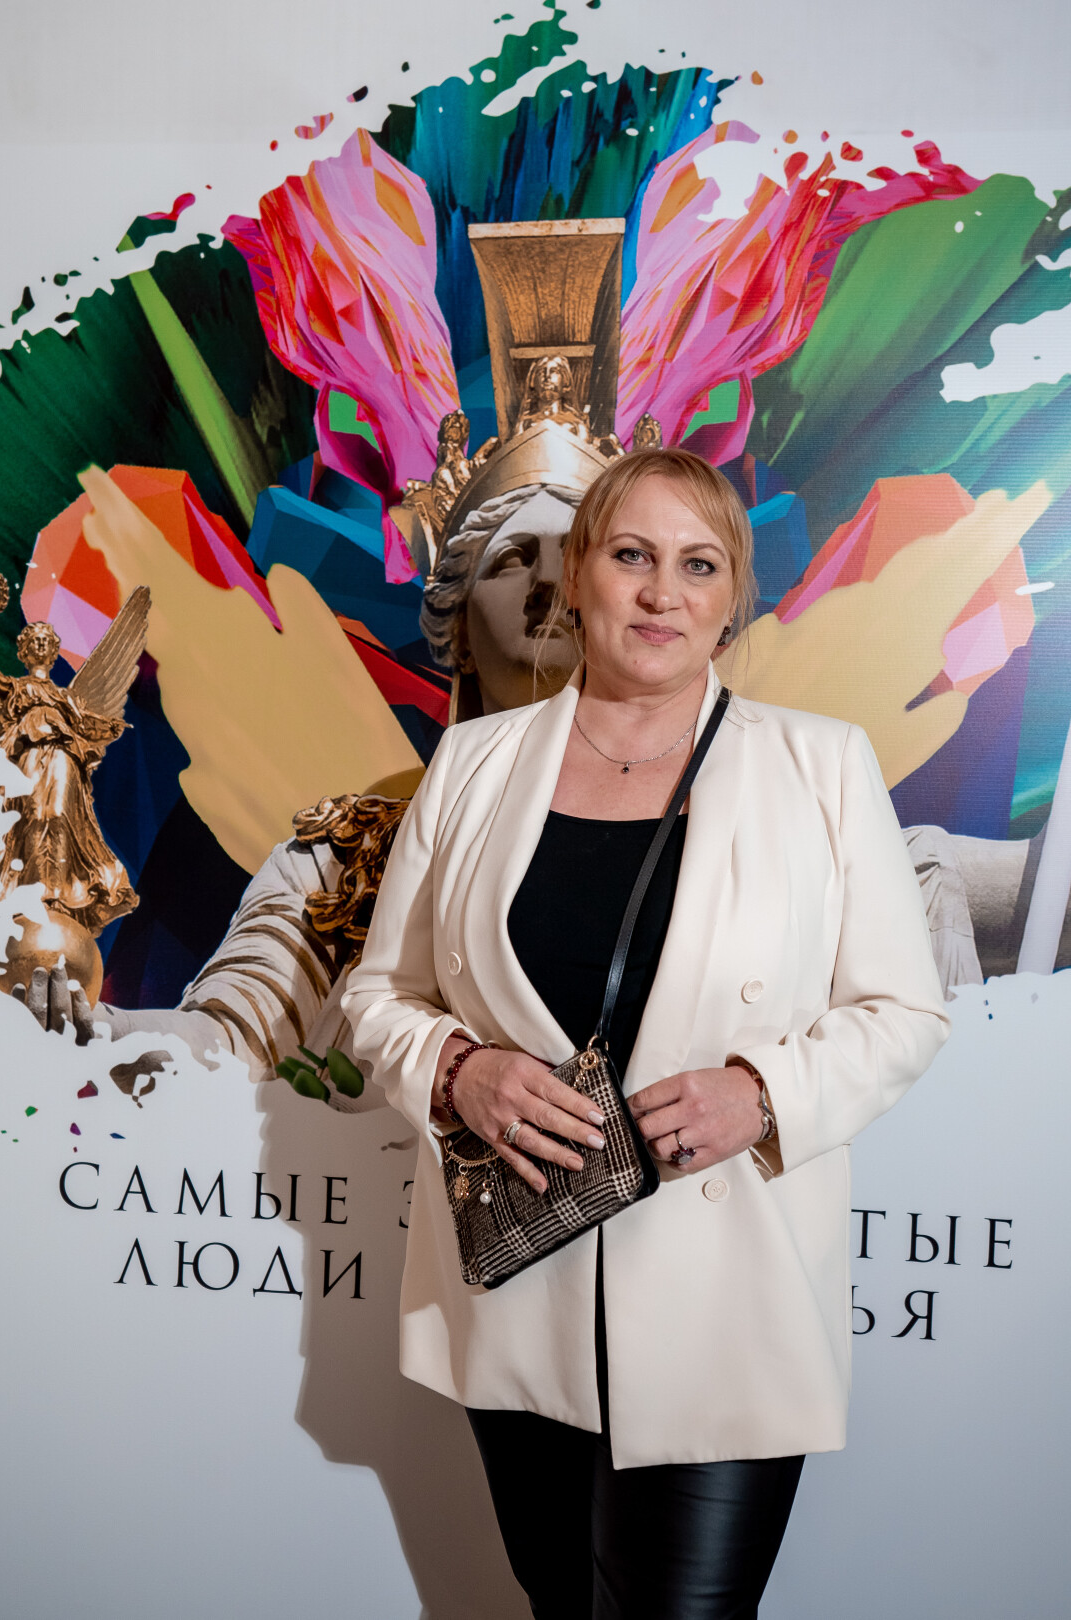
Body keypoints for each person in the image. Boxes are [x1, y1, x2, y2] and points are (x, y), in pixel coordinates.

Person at [343, 446, 951, 1618]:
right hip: (522, 1288)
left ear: (732, 599)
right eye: (632, 556)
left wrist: (764, 1096)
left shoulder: (819, 766)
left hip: (727, 1299)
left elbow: (904, 1013)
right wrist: (458, 1070)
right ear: (579, 575)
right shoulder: (471, 764)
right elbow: (380, 999)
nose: (663, 592)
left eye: (698, 565)